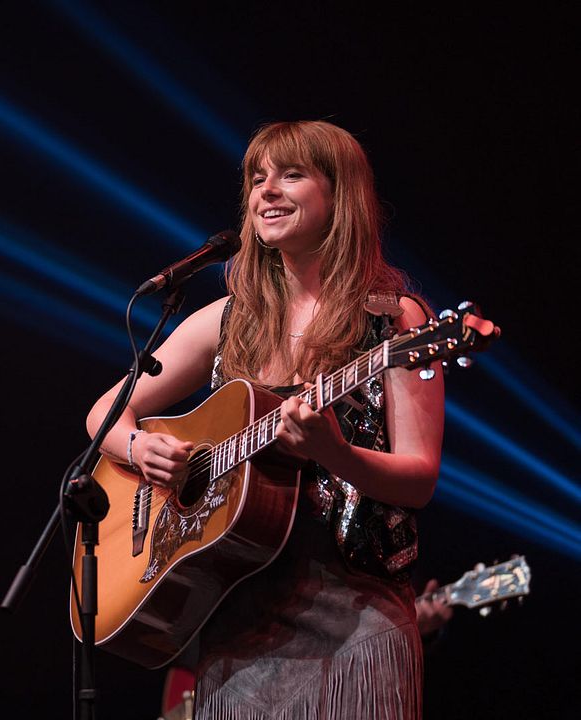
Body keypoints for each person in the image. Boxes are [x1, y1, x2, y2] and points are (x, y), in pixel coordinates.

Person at [87, 120, 444, 718]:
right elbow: (105, 413)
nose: (266, 191)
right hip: (236, 629)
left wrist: (336, 453)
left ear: (341, 196)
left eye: (291, 175)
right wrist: (138, 447)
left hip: (354, 621)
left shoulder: (394, 320)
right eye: (257, 178)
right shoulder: (229, 317)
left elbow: (420, 476)